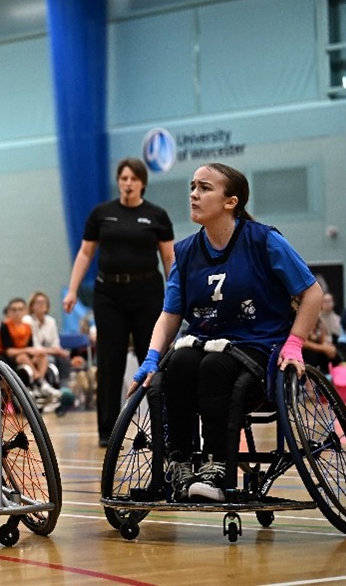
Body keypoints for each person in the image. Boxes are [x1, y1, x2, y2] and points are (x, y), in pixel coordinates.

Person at [131, 163, 322, 503]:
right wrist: (150, 357)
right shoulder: (186, 251)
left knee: (213, 367)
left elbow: (312, 293)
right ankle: (181, 463)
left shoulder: (263, 240)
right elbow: (171, 313)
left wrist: (295, 345)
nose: (193, 194)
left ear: (230, 201)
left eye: (204, 188)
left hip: (258, 345)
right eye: (192, 186)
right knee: (177, 365)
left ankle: (218, 465)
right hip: (206, 343)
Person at [63, 157, 175, 447]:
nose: (128, 183)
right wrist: (73, 290)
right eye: (123, 178)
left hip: (147, 293)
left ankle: (162, 427)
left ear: (142, 183)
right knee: (109, 363)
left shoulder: (157, 216)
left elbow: (168, 257)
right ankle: (108, 432)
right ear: (119, 181)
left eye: (133, 179)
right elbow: (86, 254)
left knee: (151, 358)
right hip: (109, 295)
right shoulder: (102, 214)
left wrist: (177, 294)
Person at [0, 297, 61, 407]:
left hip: (23, 355)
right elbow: (9, 351)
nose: (17, 313)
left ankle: (40, 383)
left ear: (25, 311)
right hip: (6, 358)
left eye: (20, 309)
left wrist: (34, 353)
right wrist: (28, 350)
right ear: (9, 311)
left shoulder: (27, 327)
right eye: (14, 310)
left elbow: (29, 348)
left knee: (41, 355)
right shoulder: (5, 325)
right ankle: (39, 382)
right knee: (23, 356)